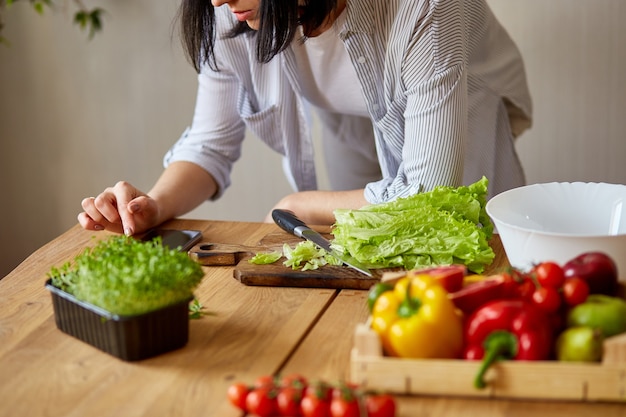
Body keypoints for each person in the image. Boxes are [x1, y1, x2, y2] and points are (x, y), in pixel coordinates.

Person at [78, 0, 532, 236]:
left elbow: (429, 196)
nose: (217, 0)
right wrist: (154, 206)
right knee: (370, 257)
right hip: (348, 118)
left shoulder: (425, 7)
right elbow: (209, 142)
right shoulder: (233, 7)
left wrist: (300, 205)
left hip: (465, 105)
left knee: (469, 248)